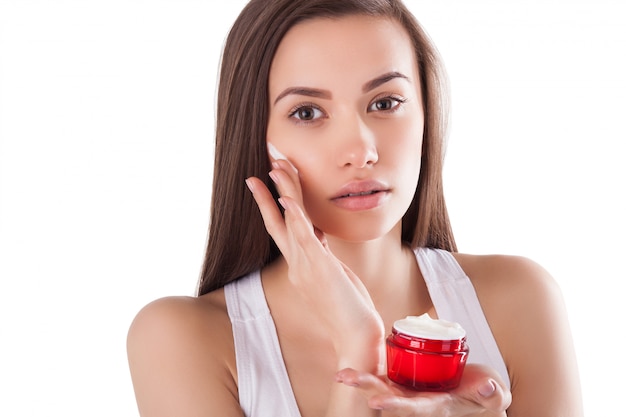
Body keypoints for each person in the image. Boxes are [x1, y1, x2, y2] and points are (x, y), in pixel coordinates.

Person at [127, 0, 583, 415]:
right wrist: (357, 346)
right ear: (254, 136)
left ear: (427, 117)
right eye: (307, 112)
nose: (360, 150)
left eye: (385, 102)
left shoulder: (520, 300)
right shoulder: (179, 340)